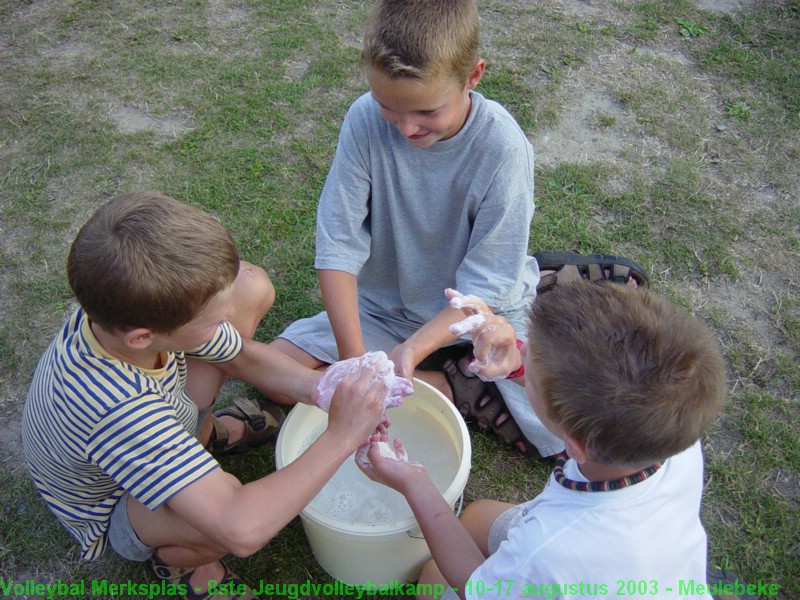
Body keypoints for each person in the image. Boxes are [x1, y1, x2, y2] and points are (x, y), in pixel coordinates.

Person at [271, 0, 647, 459]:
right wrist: (355, 362)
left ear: (473, 76)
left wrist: (410, 352)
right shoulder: (364, 120)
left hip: (480, 312)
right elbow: (338, 246)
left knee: (567, 433)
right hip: (385, 308)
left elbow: (484, 284)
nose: (406, 127)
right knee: (283, 376)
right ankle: (462, 377)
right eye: (389, 107)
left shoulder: (502, 149)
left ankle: (472, 373)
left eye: (426, 112)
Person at [21, 192, 405, 600]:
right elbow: (242, 529)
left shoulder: (117, 311)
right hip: (116, 503)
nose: (226, 319)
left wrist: (321, 388)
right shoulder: (118, 408)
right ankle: (184, 563)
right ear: (143, 337)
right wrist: (343, 435)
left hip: (151, 421)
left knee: (249, 287)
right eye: (212, 319)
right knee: (223, 514)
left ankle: (201, 436)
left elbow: (238, 353)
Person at [358, 281, 726, 599]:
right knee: (477, 517)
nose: (521, 352)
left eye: (527, 372)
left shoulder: (550, 550)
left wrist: (415, 482)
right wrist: (517, 364)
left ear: (575, 444)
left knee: (436, 577)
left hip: (568, 571)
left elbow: (474, 588)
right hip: (641, 563)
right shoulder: (670, 433)